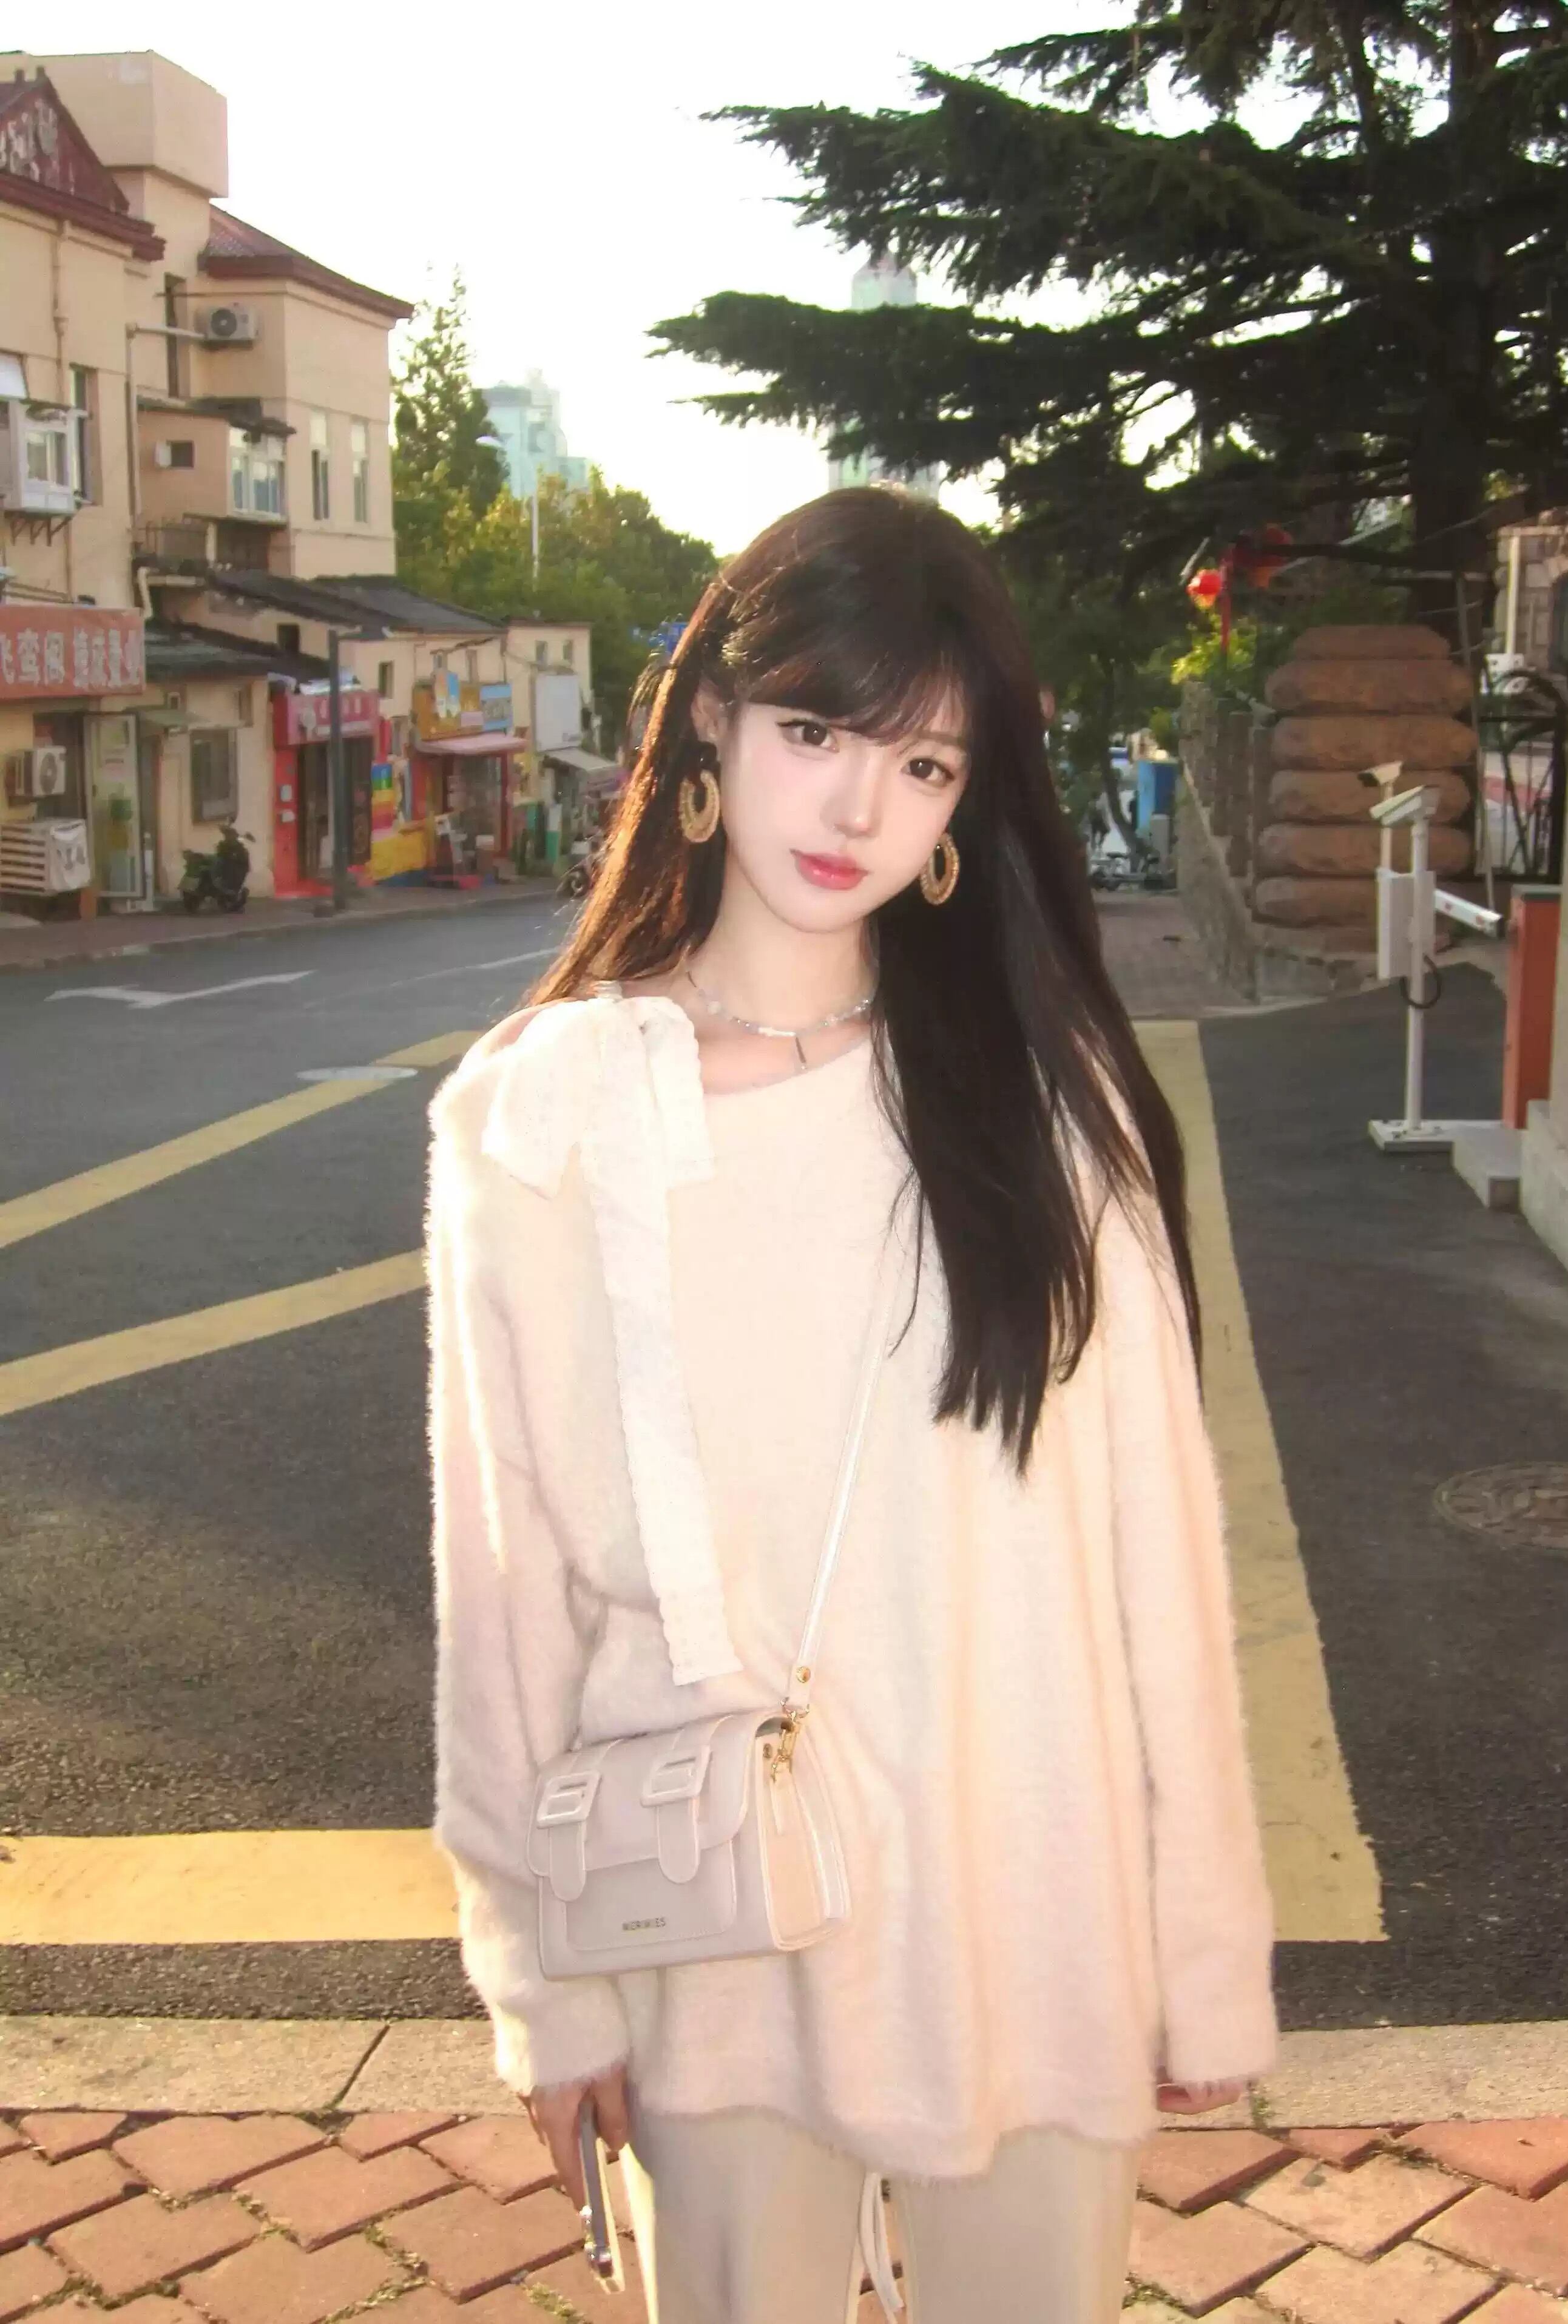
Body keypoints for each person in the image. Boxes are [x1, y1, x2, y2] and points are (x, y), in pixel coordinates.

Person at [425, 487, 1276, 2324]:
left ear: (967, 807)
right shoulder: (545, 1110)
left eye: (923, 764)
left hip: (1025, 1909)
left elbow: (1159, 1557)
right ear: (712, 726)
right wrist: (543, 1990)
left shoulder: (1050, 1109)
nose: (858, 809)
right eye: (817, 732)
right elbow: (506, 1586)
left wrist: (1201, 1949)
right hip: (710, 1928)